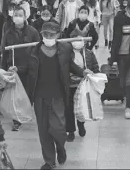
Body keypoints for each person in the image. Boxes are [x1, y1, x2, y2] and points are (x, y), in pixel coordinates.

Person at [25, 22, 92, 169]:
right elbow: (26, 70)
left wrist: (82, 72)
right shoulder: (33, 51)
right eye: (45, 34)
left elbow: (70, 66)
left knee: (58, 129)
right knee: (44, 131)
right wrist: (14, 70)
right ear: (41, 35)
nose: (48, 37)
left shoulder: (65, 49)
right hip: (39, 96)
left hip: (59, 95)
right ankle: (49, 161)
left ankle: (60, 148)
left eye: (51, 34)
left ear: (58, 35)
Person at [0, 6, 40, 131]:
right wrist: (4, 69)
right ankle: (17, 119)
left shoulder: (32, 32)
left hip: (29, 69)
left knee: (29, 93)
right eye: (15, 15)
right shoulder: (8, 33)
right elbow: (4, 51)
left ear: (25, 16)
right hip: (14, 68)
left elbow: (37, 50)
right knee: (16, 95)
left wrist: (33, 65)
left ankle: (26, 112)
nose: (17, 17)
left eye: (20, 15)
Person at [66, 31, 100, 142]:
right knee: (69, 109)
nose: (78, 42)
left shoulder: (89, 54)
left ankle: (81, 124)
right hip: (69, 85)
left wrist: (94, 75)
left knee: (80, 107)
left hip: (83, 86)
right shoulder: (66, 53)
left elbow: (95, 68)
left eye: (80, 39)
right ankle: (70, 130)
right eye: (75, 40)